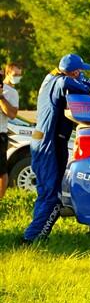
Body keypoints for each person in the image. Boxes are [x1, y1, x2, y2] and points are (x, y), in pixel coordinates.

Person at [22, 55, 90, 244]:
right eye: (80, 71)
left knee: (46, 192)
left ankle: (36, 235)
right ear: (74, 71)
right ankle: (31, 238)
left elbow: (77, 80)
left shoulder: (51, 77)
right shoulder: (59, 82)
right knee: (52, 195)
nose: (82, 74)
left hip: (45, 140)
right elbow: (66, 82)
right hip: (49, 143)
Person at [0, 62, 23, 200]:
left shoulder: (11, 93)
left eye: (19, 75)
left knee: (1, 172)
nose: (17, 78)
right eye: (15, 75)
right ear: (7, 73)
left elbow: (12, 114)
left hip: (0, 134)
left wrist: (1, 97)